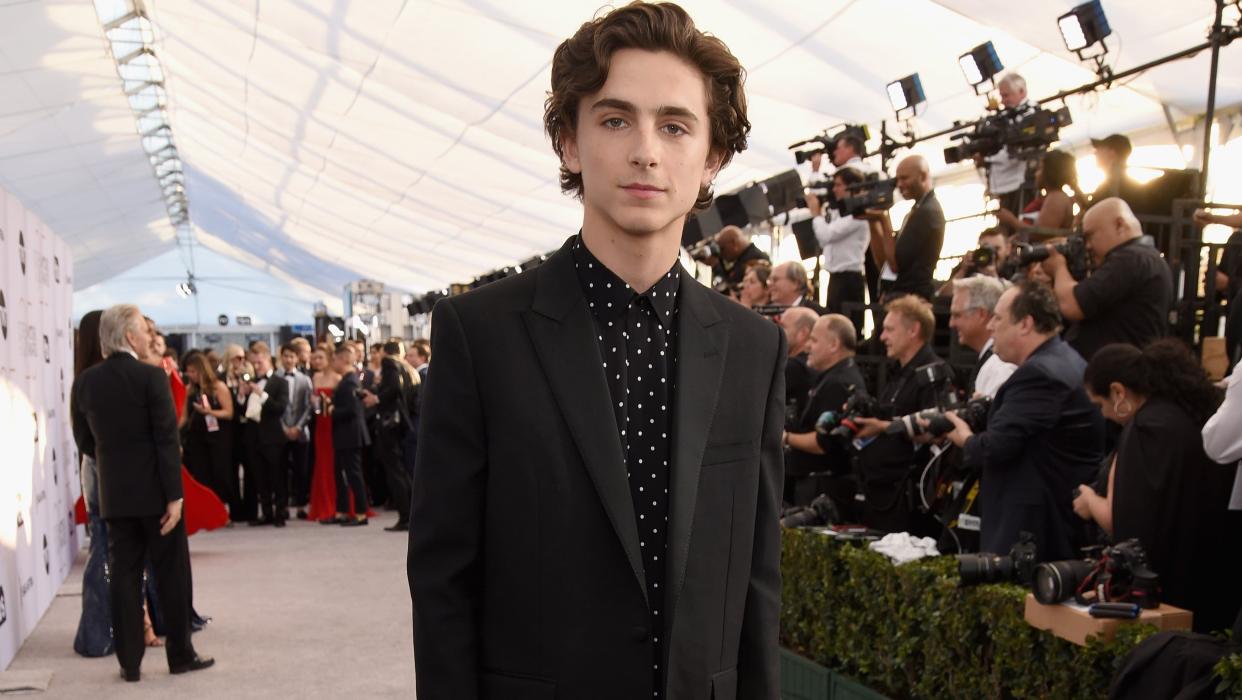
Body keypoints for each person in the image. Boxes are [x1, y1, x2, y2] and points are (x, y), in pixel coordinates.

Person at [409, 4, 782, 697]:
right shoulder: (479, 333)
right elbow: (442, 580)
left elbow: (755, 584)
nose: (646, 150)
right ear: (569, 144)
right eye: (615, 120)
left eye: (675, 125)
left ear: (713, 161)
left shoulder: (753, 348)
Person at [70, 304, 214, 682]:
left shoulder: (85, 382)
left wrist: (114, 464)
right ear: (130, 337)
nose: (150, 337)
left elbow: (84, 440)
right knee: (172, 574)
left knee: (124, 577)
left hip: (115, 496)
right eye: (144, 331)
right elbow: (167, 441)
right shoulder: (151, 377)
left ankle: (129, 663)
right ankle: (180, 655)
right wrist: (174, 496)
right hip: (156, 496)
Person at [1072, 341, 1242, 633]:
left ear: (1118, 392)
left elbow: (1129, 527)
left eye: (1100, 405)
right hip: (1219, 587)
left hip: (1168, 597)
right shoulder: (1196, 413)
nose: (1103, 415)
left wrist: (1089, 501)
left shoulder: (1146, 430)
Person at [943, 281, 1104, 562]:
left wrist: (965, 437)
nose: (991, 327)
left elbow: (996, 447)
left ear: (1026, 324)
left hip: (1034, 532)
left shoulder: (1041, 374)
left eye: (998, 318)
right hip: (1046, 522)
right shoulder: (1061, 361)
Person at [851, 296, 952, 535]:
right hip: (883, 495)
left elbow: (939, 431)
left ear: (913, 330)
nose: (882, 337)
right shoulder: (898, 372)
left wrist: (884, 427)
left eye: (889, 329)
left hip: (908, 504)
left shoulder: (933, 374)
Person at [1045, 197, 1172, 361]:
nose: (1088, 246)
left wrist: (1058, 267)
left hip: (1116, 374)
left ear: (1119, 225)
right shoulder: (1142, 258)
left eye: (1090, 236)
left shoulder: (1131, 258)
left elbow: (1072, 305)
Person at [783, 314, 867, 515]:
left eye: (814, 340)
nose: (807, 347)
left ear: (834, 345)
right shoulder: (832, 377)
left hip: (822, 487)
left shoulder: (838, 383)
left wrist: (785, 437)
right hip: (817, 483)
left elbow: (823, 443)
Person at [73, 310, 113, 658]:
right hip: (100, 473)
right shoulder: (88, 380)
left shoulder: (87, 377)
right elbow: (83, 439)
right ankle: (95, 633)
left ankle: (105, 630)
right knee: (102, 549)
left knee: (108, 549)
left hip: (101, 470)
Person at [863, 155, 945, 302]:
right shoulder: (919, 209)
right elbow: (885, 262)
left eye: (905, 178)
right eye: (897, 180)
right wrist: (874, 222)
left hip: (910, 298)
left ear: (923, 176)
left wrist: (883, 219)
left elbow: (895, 264)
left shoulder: (927, 211)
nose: (899, 185)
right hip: (902, 295)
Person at [805, 167, 869, 331]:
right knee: (832, 326)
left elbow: (826, 235)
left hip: (849, 279)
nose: (834, 190)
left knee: (847, 328)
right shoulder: (840, 213)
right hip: (836, 278)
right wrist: (815, 170)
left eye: (838, 185)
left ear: (852, 186)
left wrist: (816, 214)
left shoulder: (858, 214)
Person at [237, 341, 290, 527]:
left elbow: (280, 409)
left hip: (273, 437)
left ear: (269, 360)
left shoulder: (280, 382)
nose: (257, 366)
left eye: (260, 362)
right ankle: (266, 512)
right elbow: (244, 412)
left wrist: (262, 395)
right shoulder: (250, 382)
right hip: (254, 438)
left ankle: (280, 512)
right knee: (260, 477)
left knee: (277, 477)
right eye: (255, 363)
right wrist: (242, 395)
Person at [364, 340, 414, 532]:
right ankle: (408, 514)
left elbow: (393, 389)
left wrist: (376, 398)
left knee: (395, 471)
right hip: (399, 425)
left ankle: (405, 516)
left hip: (389, 425)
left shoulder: (389, 364)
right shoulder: (406, 367)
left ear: (385, 352)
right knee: (400, 470)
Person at [180, 353, 236, 508]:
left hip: (218, 437)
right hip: (197, 437)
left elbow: (229, 412)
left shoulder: (218, 387)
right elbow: (184, 416)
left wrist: (209, 412)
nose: (190, 375)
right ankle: (207, 507)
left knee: (220, 472)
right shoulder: (189, 390)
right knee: (202, 473)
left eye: (193, 371)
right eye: (188, 372)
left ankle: (224, 507)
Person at [978, 73, 1037, 215]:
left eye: (1006, 96)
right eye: (1001, 96)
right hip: (1005, 189)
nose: (1003, 101)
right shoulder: (1003, 118)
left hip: (1025, 186)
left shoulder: (1032, 113)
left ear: (1022, 92)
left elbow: (1016, 150)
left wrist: (986, 159)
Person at [948, 276, 1016, 398]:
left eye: (957, 315)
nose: (951, 323)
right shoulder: (992, 362)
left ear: (981, 314)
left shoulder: (999, 367)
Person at [327, 344, 371, 526]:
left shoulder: (351, 380)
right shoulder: (346, 380)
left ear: (343, 359)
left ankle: (361, 513)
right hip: (344, 434)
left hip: (350, 434)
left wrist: (332, 410)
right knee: (341, 474)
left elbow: (352, 409)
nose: (333, 363)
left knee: (353, 474)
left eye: (335, 359)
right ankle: (342, 511)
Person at [996, 149, 1085, 236]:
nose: (1036, 174)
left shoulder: (1057, 197)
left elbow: (1041, 234)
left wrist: (1011, 220)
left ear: (1049, 172)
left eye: (1040, 169)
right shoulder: (1053, 197)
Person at [277, 344, 313, 519]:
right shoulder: (275, 378)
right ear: (281, 357)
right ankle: (282, 505)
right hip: (280, 432)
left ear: (297, 358)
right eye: (286, 356)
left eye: (292, 356)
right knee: (281, 471)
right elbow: (273, 408)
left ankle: (301, 504)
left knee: (302, 470)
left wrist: (298, 427)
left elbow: (309, 406)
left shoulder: (305, 379)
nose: (289, 359)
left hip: (301, 432)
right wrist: (284, 428)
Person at [308, 346, 342, 521]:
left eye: (320, 358)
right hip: (320, 424)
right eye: (314, 358)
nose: (316, 361)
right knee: (321, 463)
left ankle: (337, 505)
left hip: (333, 425)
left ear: (329, 358)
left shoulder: (338, 378)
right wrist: (313, 401)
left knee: (333, 463)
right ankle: (321, 505)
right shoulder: (315, 377)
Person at [779, 306, 819, 428]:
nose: (777, 331)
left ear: (803, 333)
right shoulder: (811, 363)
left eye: (783, 327)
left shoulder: (794, 368)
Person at [712, 224, 770, 291]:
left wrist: (716, 264)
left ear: (734, 243)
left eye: (722, 248)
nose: (721, 254)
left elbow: (730, 285)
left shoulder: (754, 259)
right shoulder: (744, 258)